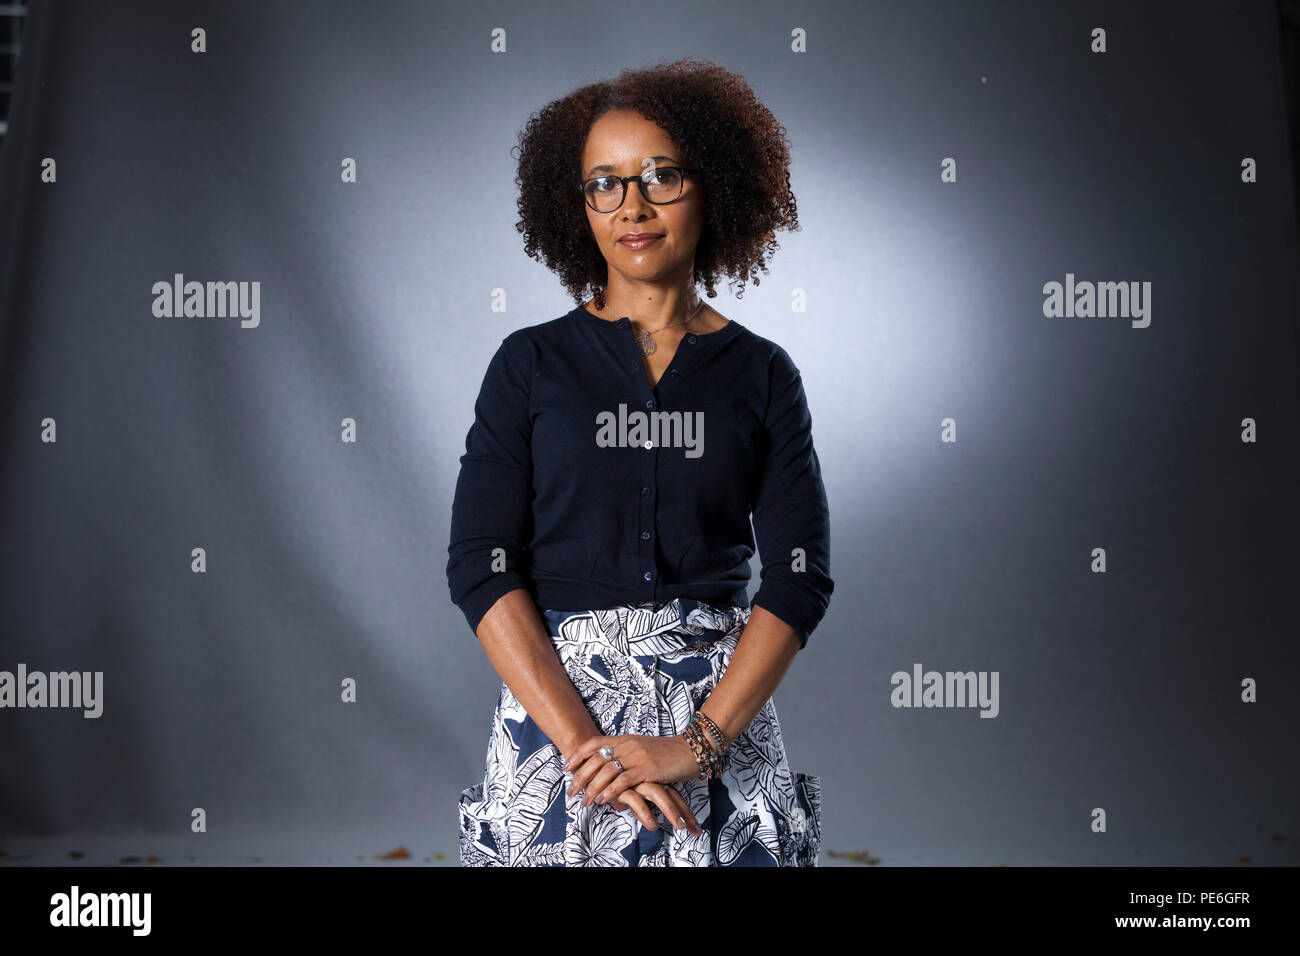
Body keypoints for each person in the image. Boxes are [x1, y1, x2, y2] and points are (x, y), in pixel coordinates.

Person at [447, 58, 834, 866]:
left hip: (716, 718)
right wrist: (591, 748)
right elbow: (482, 567)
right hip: (558, 721)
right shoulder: (528, 366)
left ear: (714, 185)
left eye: (661, 176)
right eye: (605, 183)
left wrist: (696, 746)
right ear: (576, 204)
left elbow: (798, 578)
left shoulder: (763, 375)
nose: (633, 206)